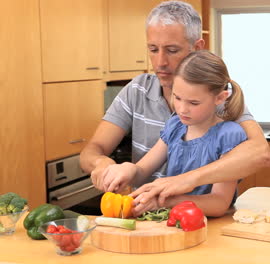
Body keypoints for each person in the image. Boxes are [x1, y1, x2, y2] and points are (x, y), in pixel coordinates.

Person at [80, 1, 270, 206]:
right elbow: (93, 152)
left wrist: (181, 184)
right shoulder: (142, 95)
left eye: (171, 50)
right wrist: (107, 166)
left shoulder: (223, 100)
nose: (160, 62)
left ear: (197, 47)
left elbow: (260, 154)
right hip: (149, 213)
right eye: (153, 49)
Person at [103, 50, 246, 217]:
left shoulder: (229, 136)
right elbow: (142, 170)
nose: (182, 109)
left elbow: (219, 203)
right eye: (177, 98)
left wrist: (166, 201)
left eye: (193, 102)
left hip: (210, 227)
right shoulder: (175, 126)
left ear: (220, 98)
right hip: (173, 222)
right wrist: (128, 170)